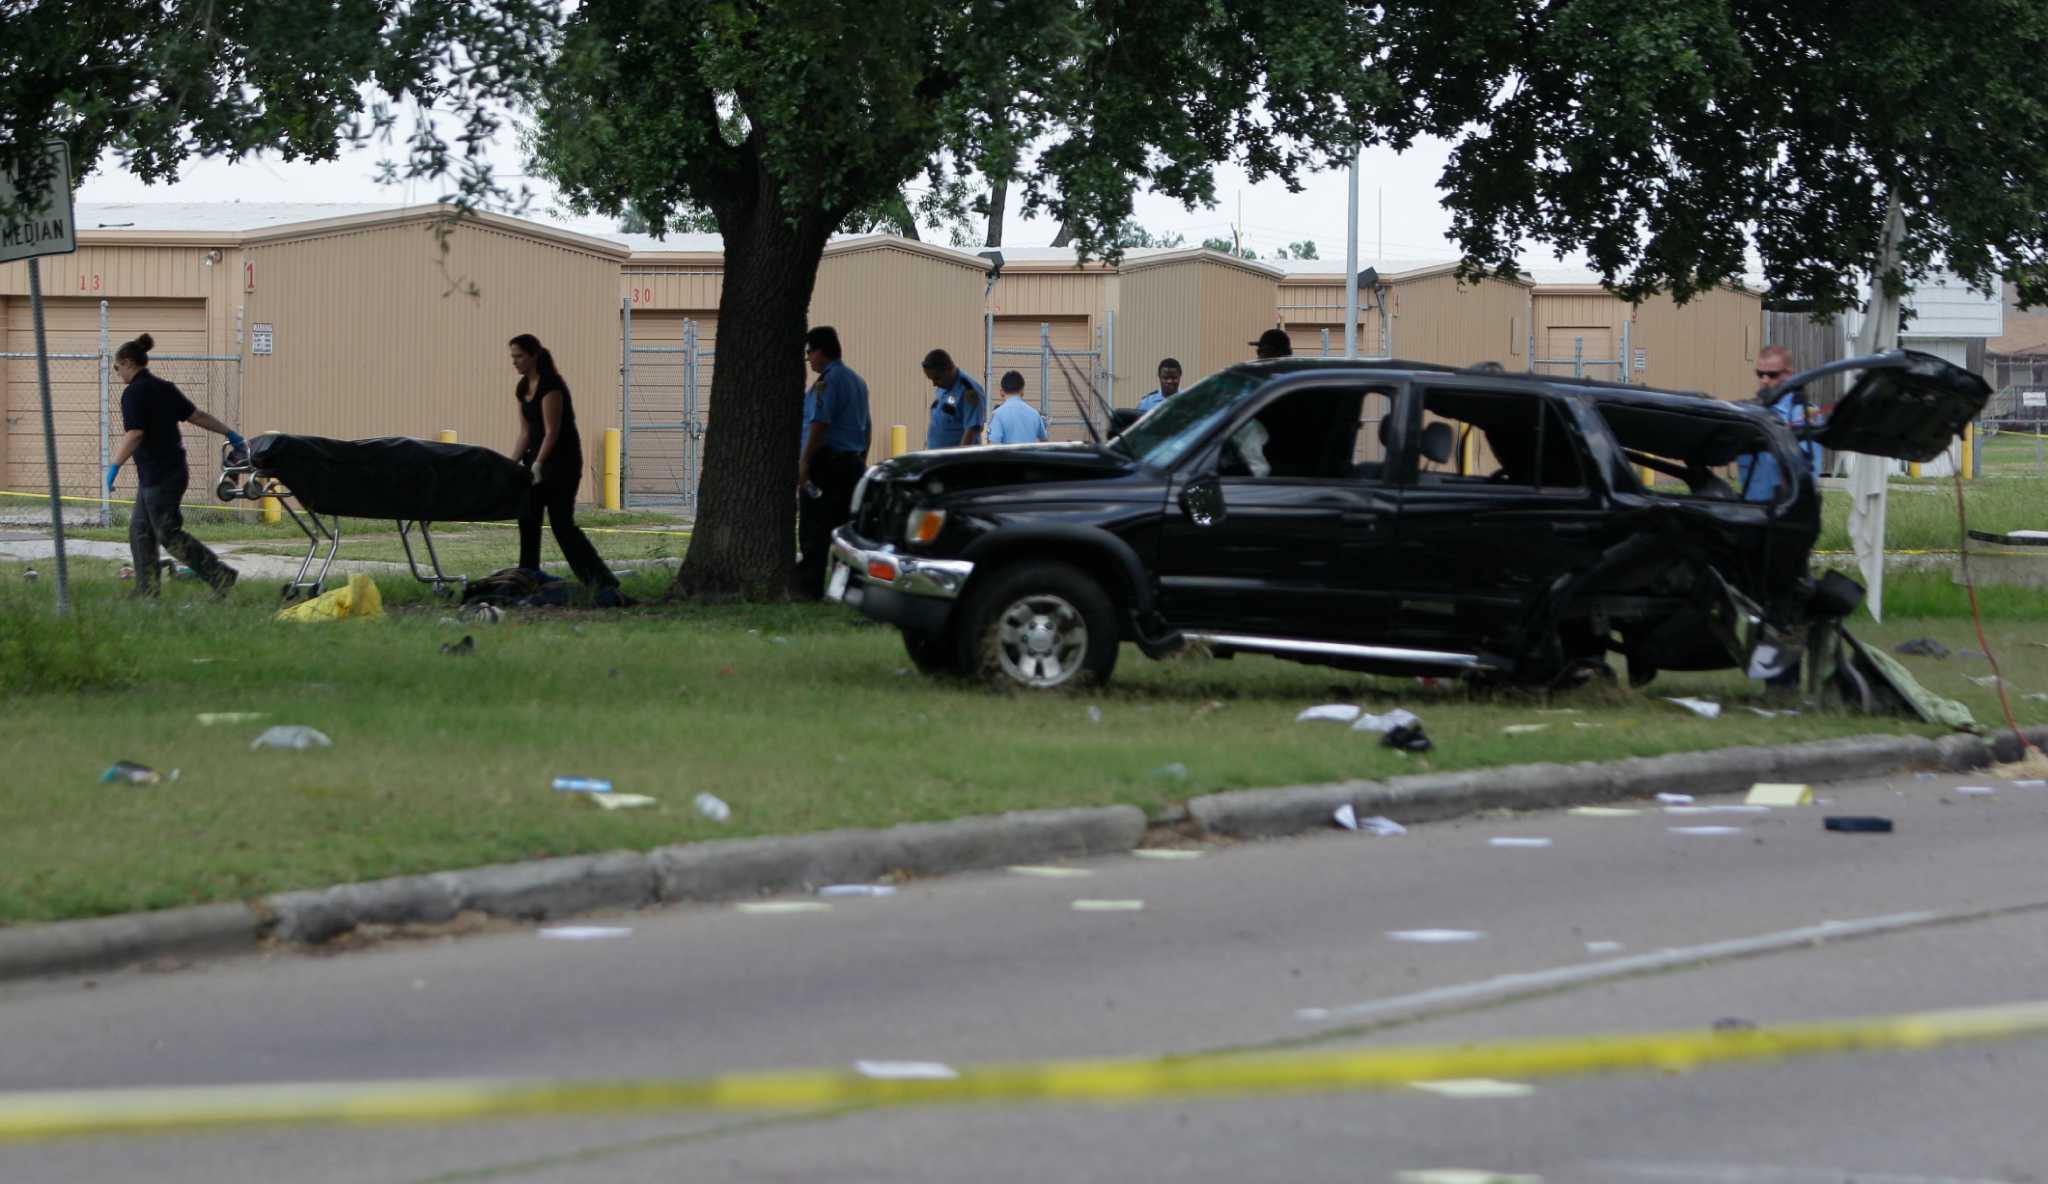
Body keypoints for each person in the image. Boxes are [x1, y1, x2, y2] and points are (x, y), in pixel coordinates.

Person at [107, 333, 241, 598]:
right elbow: (197, 416)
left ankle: (220, 576)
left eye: (116, 367)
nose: (116, 373)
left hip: (160, 476)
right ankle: (147, 590)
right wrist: (229, 433)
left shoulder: (134, 393)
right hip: (169, 471)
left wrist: (114, 467)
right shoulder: (164, 387)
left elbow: (135, 434)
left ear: (127, 362)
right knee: (140, 530)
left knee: (168, 534)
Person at [508, 333, 620, 596]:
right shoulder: (523, 388)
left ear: (534, 355)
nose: (514, 362)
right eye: (512, 357)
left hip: (561, 465)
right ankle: (528, 576)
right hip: (534, 464)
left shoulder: (552, 386)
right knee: (528, 519)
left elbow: (552, 431)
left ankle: (601, 580)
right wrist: (512, 464)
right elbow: (525, 433)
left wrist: (538, 464)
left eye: (519, 356)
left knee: (561, 524)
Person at [798, 325, 872, 599]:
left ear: (819, 350)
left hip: (826, 464)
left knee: (813, 529)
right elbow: (867, 428)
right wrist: (860, 459)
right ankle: (844, 589)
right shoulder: (857, 381)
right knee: (845, 533)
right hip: (851, 465)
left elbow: (820, 424)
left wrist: (805, 463)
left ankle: (809, 588)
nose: (809, 359)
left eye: (809, 353)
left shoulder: (827, 382)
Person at [1736, 345, 1821, 502]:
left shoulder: (1804, 413)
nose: (1764, 380)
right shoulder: (1749, 412)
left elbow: (1805, 468)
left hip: (1787, 510)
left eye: (1772, 374)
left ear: (1789, 374)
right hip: (1751, 508)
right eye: (1760, 374)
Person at [921, 348, 986, 449]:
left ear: (949, 369)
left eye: (937, 378)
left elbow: (972, 430)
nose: (934, 384)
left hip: (956, 461)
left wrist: (958, 461)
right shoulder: (943, 387)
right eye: (931, 379)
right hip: (938, 458)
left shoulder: (969, 391)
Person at [986, 370, 1049, 444]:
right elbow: (1044, 440)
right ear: (1022, 392)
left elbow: (993, 443)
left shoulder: (997, 414)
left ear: (1001, 392)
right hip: (1030, 455)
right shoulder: (1035, 414)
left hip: (1007, 455)